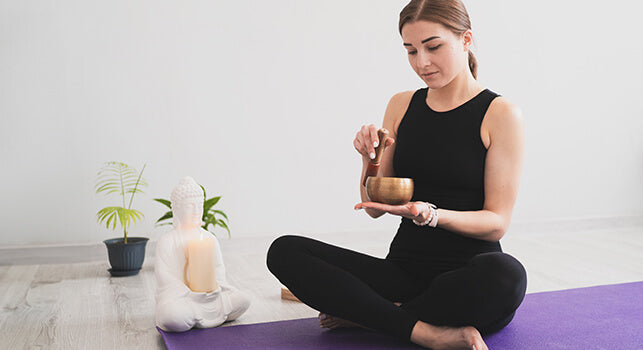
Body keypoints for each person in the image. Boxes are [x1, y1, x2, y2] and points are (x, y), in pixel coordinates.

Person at [267, 0, 526, 349]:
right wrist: (369, 160)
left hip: (468, 278)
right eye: (411, 51)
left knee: (509, 276)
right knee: (284, 251)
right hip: (403, 272)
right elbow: (374, 207)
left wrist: (431, 215)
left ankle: (370, 314)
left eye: (433, 47)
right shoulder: (402, 104)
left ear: (466, 40)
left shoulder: (500, 113)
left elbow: (497, 222)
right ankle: (424, 331)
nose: (422, 62)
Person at [155, 177, 250, 332]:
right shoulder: (167, 241)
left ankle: (198, 316)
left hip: (212, 297)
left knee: (243, 299)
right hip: (183, 299)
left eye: (200, 206)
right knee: (172, 316)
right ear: (177, 209)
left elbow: (218, 269)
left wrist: (214, 289)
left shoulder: (209, 238)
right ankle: (190, 315)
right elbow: (166, 278)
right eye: (190, 206)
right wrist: (190, 294)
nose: (196, 211)